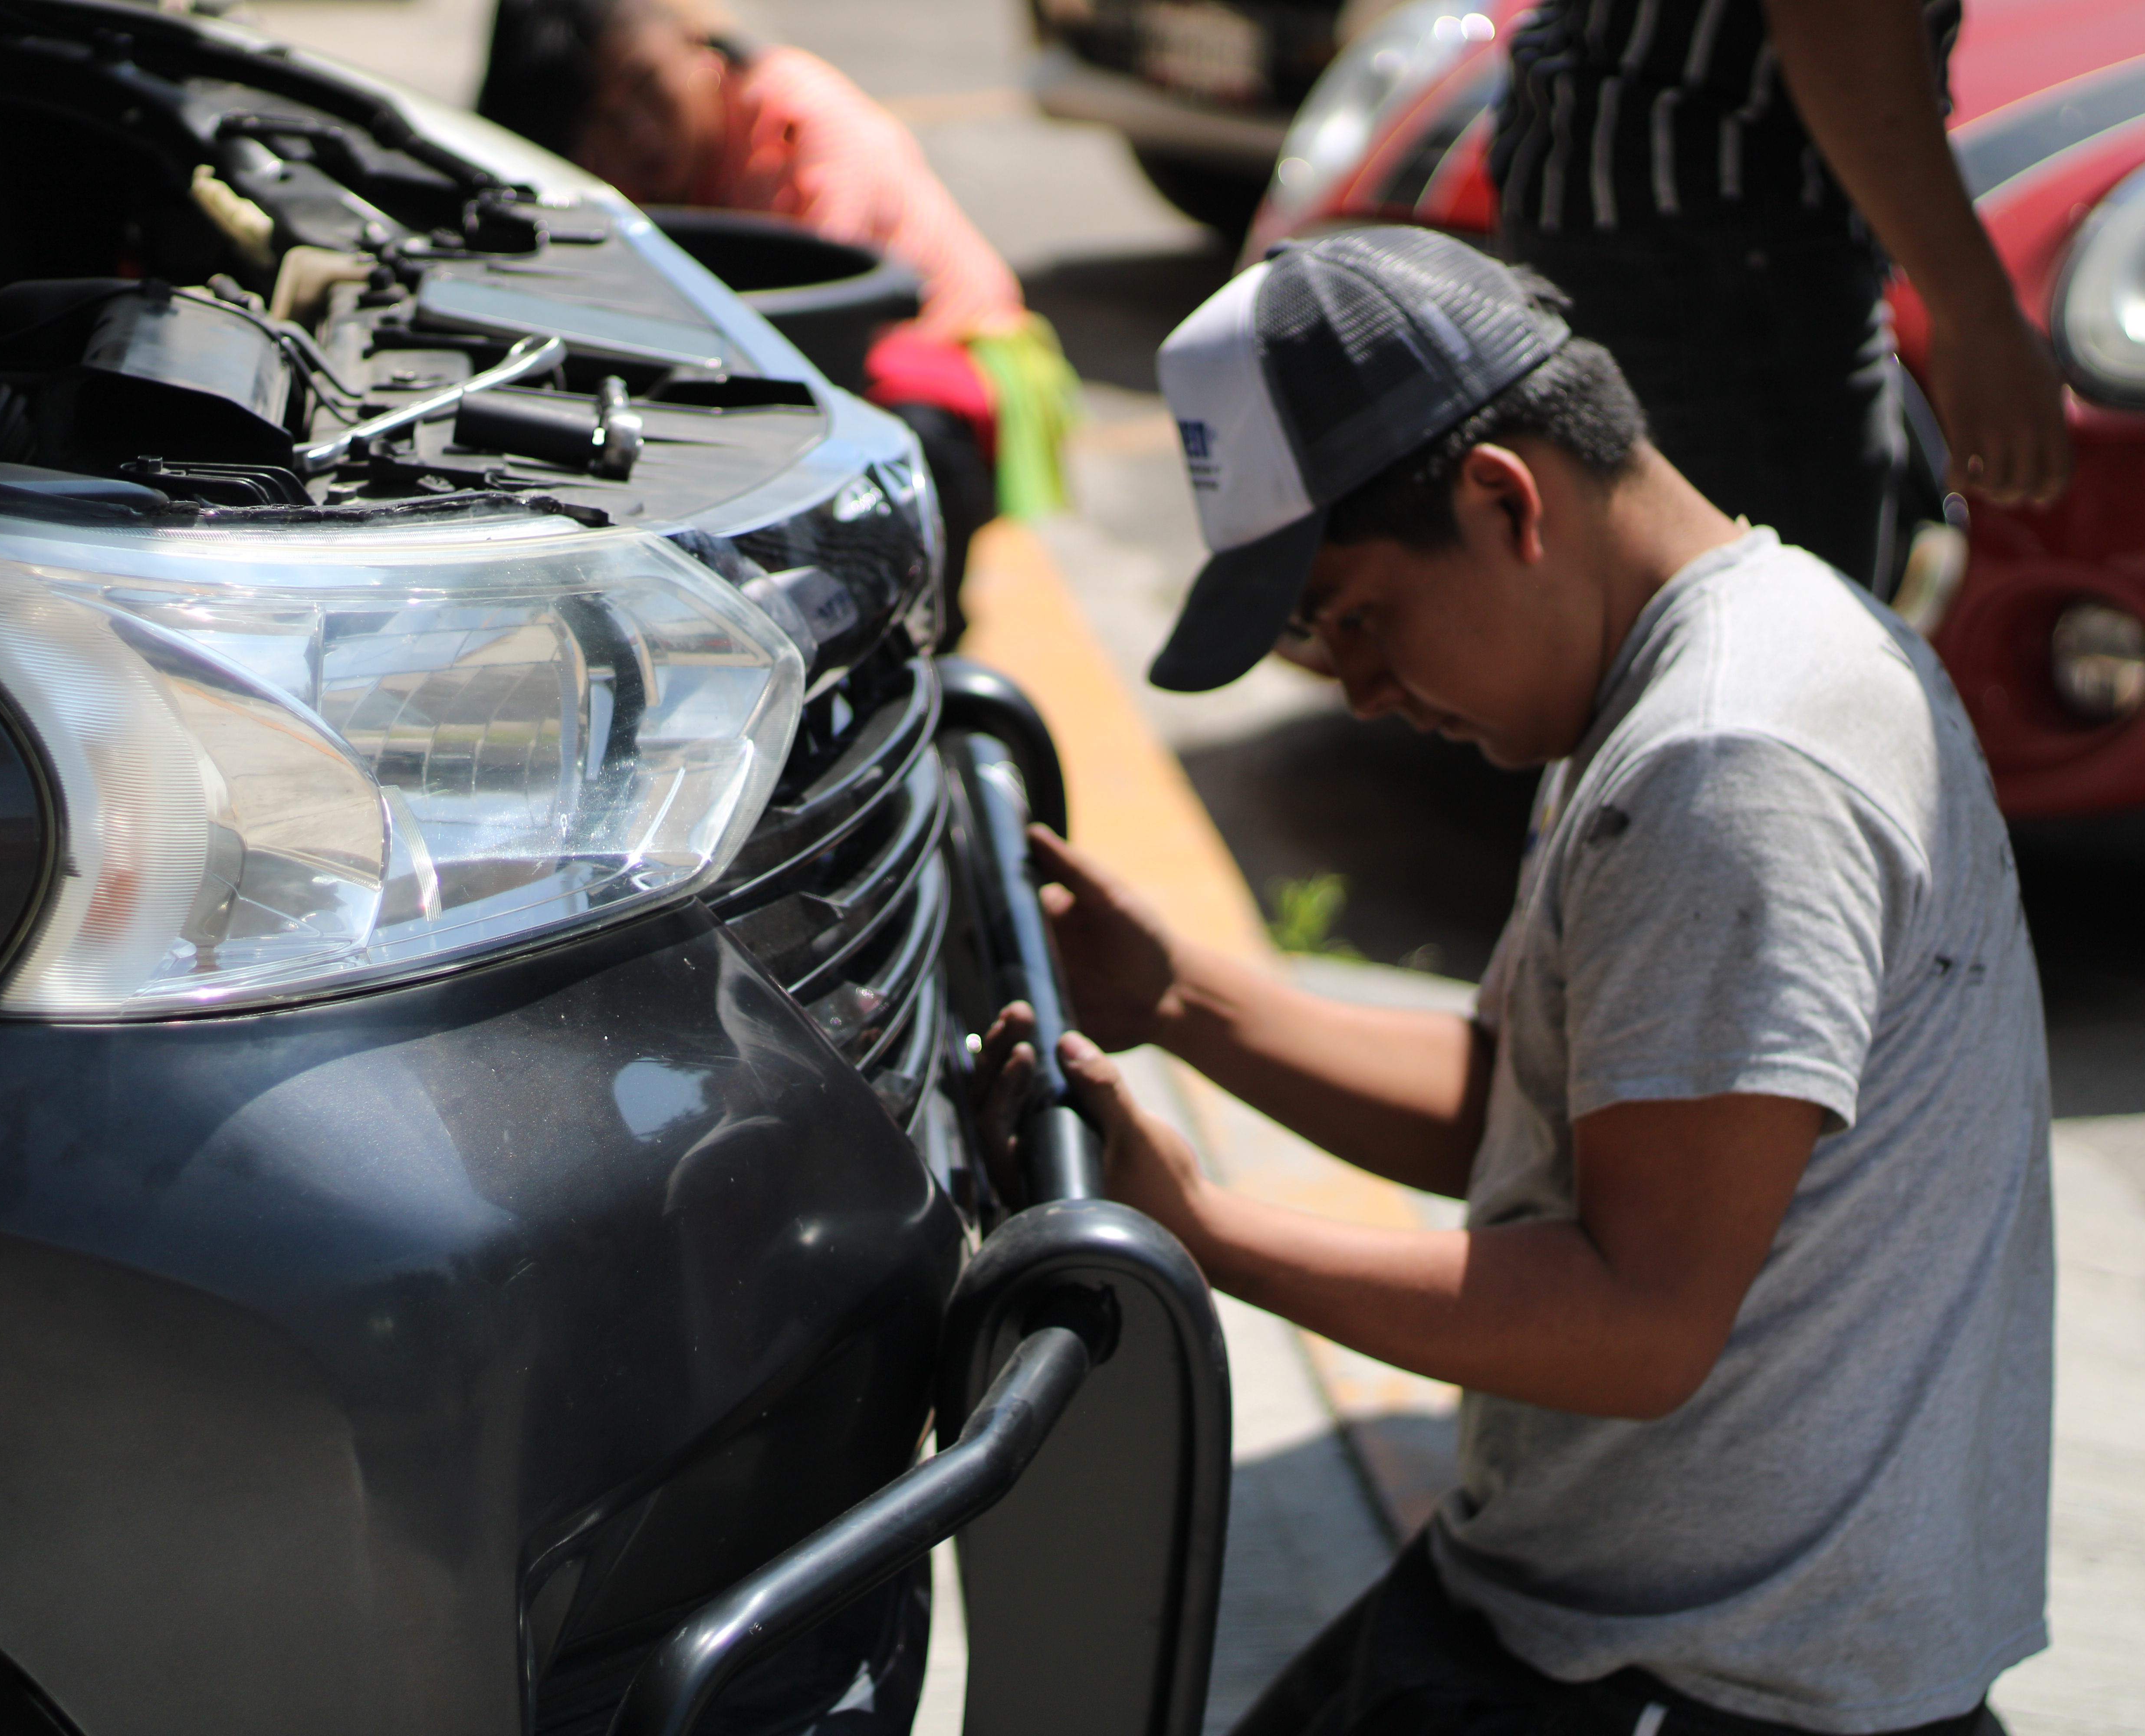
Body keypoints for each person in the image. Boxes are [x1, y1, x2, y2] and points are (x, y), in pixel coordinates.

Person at [979, 228, 2050, 1735]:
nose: (1355, 690)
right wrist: (1180, 1000)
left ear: (1503, 503)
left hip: (1719, 1682)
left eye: (1353, 616)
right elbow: (1528, 1106)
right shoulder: (1685, 664)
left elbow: (1638, 1317)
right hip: (1586, 1607)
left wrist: (1207, 1233)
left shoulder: (1726, 760)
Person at [476, 0, 1080, 645]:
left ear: (695, 40)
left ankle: (919, 637)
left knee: (887, 477)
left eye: (647, 91)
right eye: (603, 125)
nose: (639, 137)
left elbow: (812, 338)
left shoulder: (807, 127)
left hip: (943, 358)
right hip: (791, 362)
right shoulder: (624, 186)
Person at [1488, 0, 2072, 592]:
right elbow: (1838, 18)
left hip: (1644, 196)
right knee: (1785, 632)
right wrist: (1977, 315)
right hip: (1714, 230)